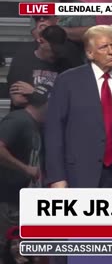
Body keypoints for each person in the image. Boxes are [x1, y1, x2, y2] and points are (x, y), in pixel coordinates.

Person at [44, 25, 112, 188]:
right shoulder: (68, 82)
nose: (111, 51)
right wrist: (57, 177)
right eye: (104, 47)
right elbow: (54, 132)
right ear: (89, 53)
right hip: (78, 174)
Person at [0, 85, 50, 258]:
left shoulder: (35, 126)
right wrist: (25, 168)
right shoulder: (18, 120)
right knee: (7, 251)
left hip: (21, 202)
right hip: (7, 202)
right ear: (46, 104)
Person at [7, 25, 76, 111]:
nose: (56, 54)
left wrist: (35, 92)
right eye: (53, 50)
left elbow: (69, 100)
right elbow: (18, 100)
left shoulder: (65, 61)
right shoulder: (22, 60)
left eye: (59, 50)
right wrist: (53, 99)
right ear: (41, 41)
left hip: (54, 118)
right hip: (28, 118)